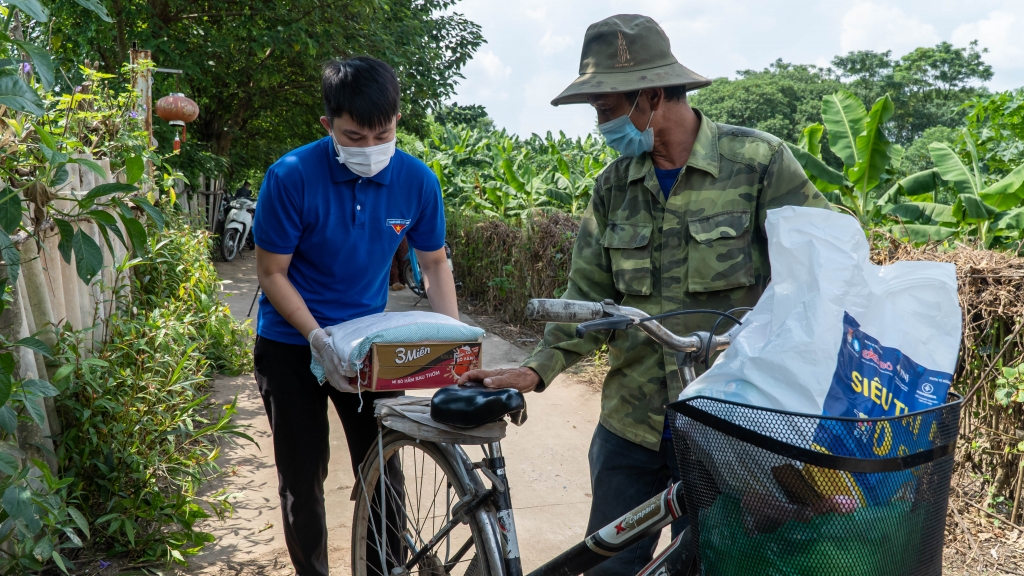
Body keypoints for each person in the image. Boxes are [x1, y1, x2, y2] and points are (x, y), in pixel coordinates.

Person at [458, 14, 831, 575]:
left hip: (726, 421)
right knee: (609, 561)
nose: (602, 125)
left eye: (607, 111)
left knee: (709, 562)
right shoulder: (613, 186)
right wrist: (536, 369)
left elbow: (821, 265)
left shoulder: (759, 165)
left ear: (652, 97)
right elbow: (587, 293)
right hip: (631, 422)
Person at [252, 56, 458, 576]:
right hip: (292, 344)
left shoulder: (417, 181)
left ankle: (384, 570)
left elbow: (433, 262)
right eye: (354, 137)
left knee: (385, 472)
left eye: (381, 135)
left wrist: (454, 343)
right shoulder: (291, 176)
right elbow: (272, 272)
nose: (370, 149)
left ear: (397, 122)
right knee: (302, 479)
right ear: (328, 126)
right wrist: (316, 337)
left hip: (370, 351)